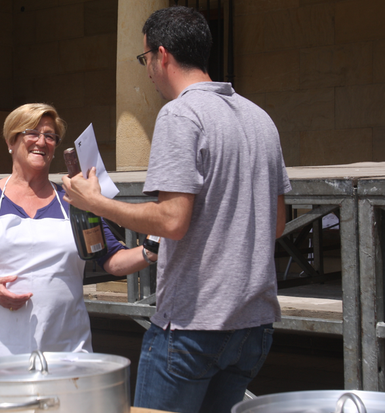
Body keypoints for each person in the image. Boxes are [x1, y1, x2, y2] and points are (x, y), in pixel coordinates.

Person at [62, 7, 290, 413]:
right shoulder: (262, 119)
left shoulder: (180, 114)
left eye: (144, 59)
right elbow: (276, 224)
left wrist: (94, 202)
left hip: (193, 325)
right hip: (254, 325)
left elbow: (172, 220)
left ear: (161, 55)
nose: (146, 70)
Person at [0, 103, 157, 361]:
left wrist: (151, 249)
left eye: (50, 136)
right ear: (11, 140)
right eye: (32, 132)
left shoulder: (75, 202)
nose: (42, 141)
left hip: (67, 350)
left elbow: (111, 260)